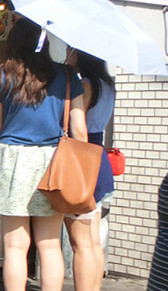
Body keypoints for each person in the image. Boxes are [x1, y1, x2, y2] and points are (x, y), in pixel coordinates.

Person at [0, 17, 87, 291]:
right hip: (52, 163)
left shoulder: (0, 76)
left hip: (13, 158)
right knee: (49, 245)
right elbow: (79, 130)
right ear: (45, 42)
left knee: (15, 246)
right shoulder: (67, 75)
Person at [65, 48, 115, 291]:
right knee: (93, 241)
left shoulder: (84, 85)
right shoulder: (107, 85)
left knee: (81, 243)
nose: (66, 52)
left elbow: (78, 127)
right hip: (100, 157)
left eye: (70, 50)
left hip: (83, 161)